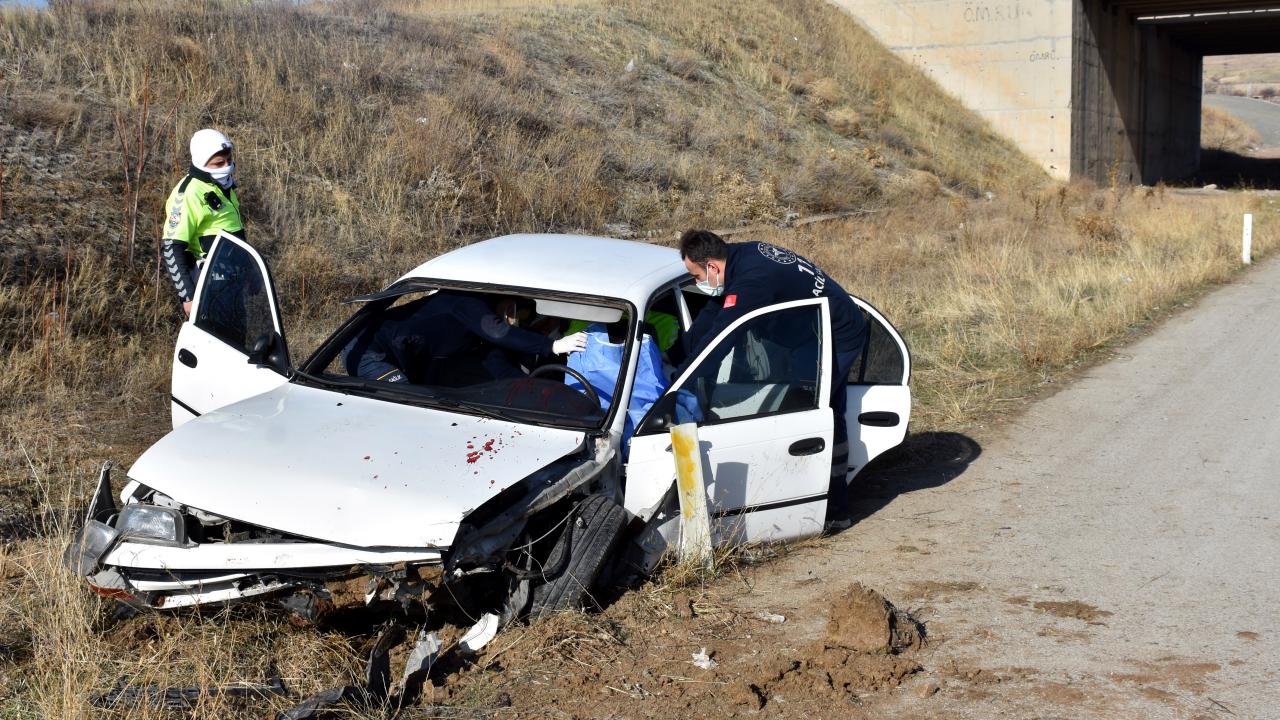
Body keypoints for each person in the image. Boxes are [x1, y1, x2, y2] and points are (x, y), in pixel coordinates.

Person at [678, 229, 867, 530]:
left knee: (816, 410)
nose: (697, 283)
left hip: (836, 334)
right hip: (808, 329)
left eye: (696, 275)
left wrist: (684, 377)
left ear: (712, 266)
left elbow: (723, 337)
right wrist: (679, 350)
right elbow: (713, 314)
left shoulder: (753, 282)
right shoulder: (738, 257)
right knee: (815, 406)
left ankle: (832, 510)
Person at [343, 292, 587, 386]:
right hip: (367, 348)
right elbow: (499, 332)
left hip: (408, 357)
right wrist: (552, 346)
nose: (514, 319)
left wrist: (536, 390)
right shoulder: (468, 304)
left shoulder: (476, 334)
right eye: (515, 310)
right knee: (404, 404)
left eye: (521, 317)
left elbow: (500, 368)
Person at [162, 129, 244, 317]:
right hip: (209, 290)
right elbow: (170, 248)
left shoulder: (224, 185)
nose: (227, 166)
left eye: (229, 161)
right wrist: (188, 297)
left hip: (234, 286)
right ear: (202, 162)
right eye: (219, 163)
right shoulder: (189, 193)